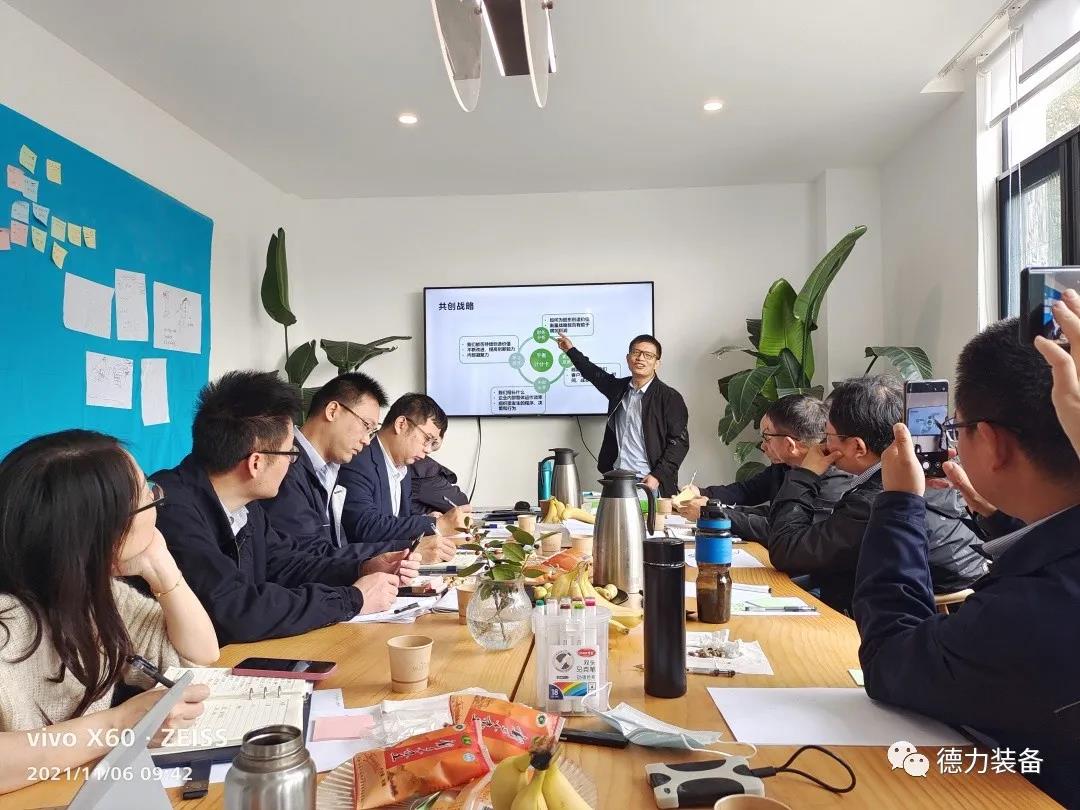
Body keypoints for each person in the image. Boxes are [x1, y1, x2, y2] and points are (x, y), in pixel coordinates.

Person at [853, 314, 1080, 806]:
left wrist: (899, 504)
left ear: (992, 442)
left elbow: (891, 658)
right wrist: (998, 517)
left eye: (957, 428)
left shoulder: (1029, 610)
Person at [0, 430, 218, 794]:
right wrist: (119, 725)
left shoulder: (95, 595)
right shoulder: (8, 622)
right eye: (148, 496)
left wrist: (163, 567)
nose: (157, 500)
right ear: (103, 533)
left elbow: (195, 657)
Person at [154, 371, 419, 645]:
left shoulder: (246, 507)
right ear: (256, 463)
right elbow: (234, 609)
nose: (293, 462)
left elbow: (288, 563)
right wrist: (352, 599)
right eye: (290, 453)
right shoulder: (170, 510)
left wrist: (361, 569)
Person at [767, 375, 985, 613]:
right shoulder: (940, 475)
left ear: (858, 447)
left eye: (828, 437)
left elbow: (787, 550)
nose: (823, 445)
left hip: (900, 615)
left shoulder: (874, 501)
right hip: (961, 595)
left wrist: (806, 473)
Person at [263, 374, 455, 562]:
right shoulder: (283, 467)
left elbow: (333, 548)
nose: (366, 440)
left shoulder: (329, 468)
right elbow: (313, 556)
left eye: (371, 430)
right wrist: (409, 549)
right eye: (365, 425)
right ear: (333, 411)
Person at [675, 394, 851, 540]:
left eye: (766, 437)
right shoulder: (785, 466)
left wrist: (714, 513)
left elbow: (787, 534)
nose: (762, 446)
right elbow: (750, 493)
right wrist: (704, 495)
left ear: (790, 445)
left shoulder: (835, 481)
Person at [555, 332, 689, 495]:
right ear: (628, 358)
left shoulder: (669, 397)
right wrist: (570, 350)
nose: (640, 358)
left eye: (648, 355)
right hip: (617, 478)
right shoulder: (619, 389)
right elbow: (593, 373)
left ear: (656, 363)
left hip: (648, 482)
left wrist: (657, 475)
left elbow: (679, 443)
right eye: (636, 352)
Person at [339, 394, 470, 551]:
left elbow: (396, 520)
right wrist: (436, 524)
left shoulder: (403, 467)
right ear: (401, 424)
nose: (428, 450)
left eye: (432, 443)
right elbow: (365, 527)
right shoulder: (357, 461)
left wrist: (424, 519)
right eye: (427, 439)